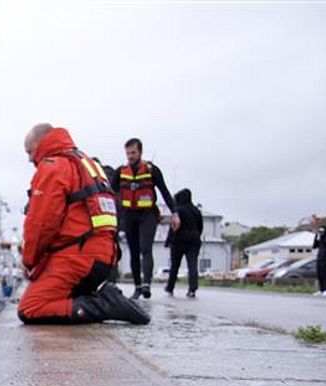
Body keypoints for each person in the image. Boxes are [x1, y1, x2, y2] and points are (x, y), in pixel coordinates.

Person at [17, 123, 150, 325]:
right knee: (55, 298)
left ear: (42, 142)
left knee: (30, 307)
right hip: (103, 258)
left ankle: (105, 305)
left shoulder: (54, 167)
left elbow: (41, 225)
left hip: (79, 259)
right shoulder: (87, 163)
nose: (29, 159)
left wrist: (29, 261)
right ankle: (105, 299)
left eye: (30, 151)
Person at [114, 138, 179, 300]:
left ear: (140, 152)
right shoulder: (120, 172)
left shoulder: (151, 170)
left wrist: (175, 213)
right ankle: (137, 287)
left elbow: (164, 191)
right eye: (128, 153)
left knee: (145, 248)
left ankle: (146, 285)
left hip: (147, 214)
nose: (130, 156)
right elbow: (109, 192)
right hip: (128, 215)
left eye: (133, 153)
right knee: (134, 252)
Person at [163, 188, 203, 297]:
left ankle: (170, 287)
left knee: (175, 265)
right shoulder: (196, 211)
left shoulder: (178, 210)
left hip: (178, 240)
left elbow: (174, 226)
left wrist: (168, 240)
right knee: (192, 265)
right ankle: (192, 289)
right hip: (194, 241)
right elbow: (200, 227)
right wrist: (196, 236)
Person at [312, 225, 326, 296]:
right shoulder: (319, 238)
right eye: (320, 231)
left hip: (325, 257)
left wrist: (321, 238)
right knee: (319, 274)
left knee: (325, 274)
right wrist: (316, 238)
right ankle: (321, 289)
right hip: (319, 257)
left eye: (322, 231)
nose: (321, 233)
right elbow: (314, 246)